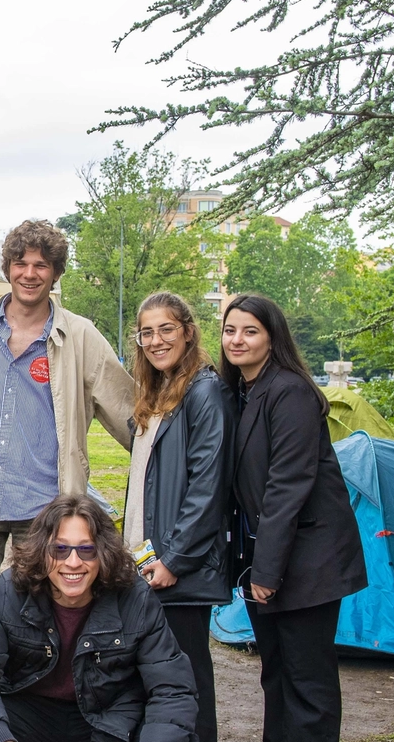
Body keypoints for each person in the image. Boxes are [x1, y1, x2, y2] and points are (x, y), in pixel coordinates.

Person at [0, 219, 134, 669]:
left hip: (48, 509)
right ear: (6, 267)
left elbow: (129, 412)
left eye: (41, 265)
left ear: (56, 273)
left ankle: (37, 714)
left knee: (47, 620)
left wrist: (170, 457)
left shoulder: (79, 336)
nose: (29, 273)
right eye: (20, 263)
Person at [221, 293, 367, 742]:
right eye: (230, 330)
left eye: (250, 331)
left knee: (307, 681)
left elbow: (287, 486)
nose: (237, 340)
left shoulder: (290, 391)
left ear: (272, 337)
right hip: (267, 555)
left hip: (306, 558)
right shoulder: (243, 391)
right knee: (277, 673)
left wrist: (266, 570)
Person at [0, 494, 197, 742]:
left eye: (87, 550)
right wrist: (0, 738)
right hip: (27, 711)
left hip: (109, 718)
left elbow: (172, 689)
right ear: (42, 551)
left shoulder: (135, 598)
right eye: (60, 549)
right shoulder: (10, 591)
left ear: (103, 552)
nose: (73, 562)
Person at [124, 292, 236, 742]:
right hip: (150, 560)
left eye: (166, 329)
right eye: (147, 332)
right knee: (155, 674)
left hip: (180, 567)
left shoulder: (204, 391)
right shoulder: (156, 393)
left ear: (188, 331)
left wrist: (174, 559)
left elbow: (208, 487)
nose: (156, 340)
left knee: (186, 677)